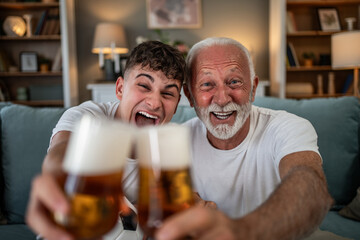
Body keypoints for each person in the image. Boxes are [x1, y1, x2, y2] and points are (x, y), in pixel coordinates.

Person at [154, 37, 334, 240]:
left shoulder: (288, 127)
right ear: (189, 95)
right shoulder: (175, 142)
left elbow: (309, 188)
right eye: (207, 84)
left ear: (254, 88)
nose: (222, 99)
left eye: (234, 82)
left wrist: (241, 231)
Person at [25, 40, 188, 240]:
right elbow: (59, 157)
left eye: (167, 93)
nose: (154, 103)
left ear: (177, 103)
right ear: (120, 88)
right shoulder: (88, 117)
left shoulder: (171, 145)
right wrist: (62, 175)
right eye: (144, 86)